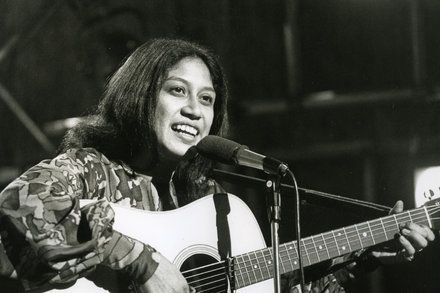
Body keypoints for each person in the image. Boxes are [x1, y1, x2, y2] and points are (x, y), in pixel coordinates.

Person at [0, 38, 435, 293]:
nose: (194, 110)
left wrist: (362, 260)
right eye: (177, 91)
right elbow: (19, 201)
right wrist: (141, 261)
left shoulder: (213, 204)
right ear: (140, 97)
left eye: (206, 99)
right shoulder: (92, 169)